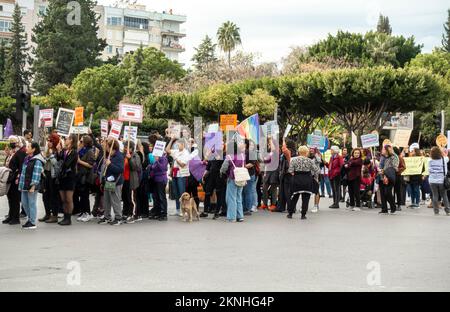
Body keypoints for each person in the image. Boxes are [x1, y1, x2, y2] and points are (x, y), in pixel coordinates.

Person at [287, 146, 320, 220]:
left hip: (296, 180)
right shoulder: (310, 161)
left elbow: (290, 170)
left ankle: (290, 213)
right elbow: (317, 170)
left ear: (299, 152)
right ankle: (303, 215)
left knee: (294, 197)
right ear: (306, 152)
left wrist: (294, 174)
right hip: (307, 180)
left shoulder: (294, 160)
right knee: (306, 199)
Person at [18, 142, 45, 229]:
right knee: (24, 203)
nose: (26, 148)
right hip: (24, 185)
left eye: (28, 146)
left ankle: (32, 222)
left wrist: (33, 186)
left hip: (31, 186)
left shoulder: (37, 160)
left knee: (31, 203)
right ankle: (30, 219)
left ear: (33, 149)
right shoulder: (27, 158)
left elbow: (36, 174)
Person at [99, 139, 124, 225]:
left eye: (107, 146)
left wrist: (110, 164)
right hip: (108, 181)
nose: (105, 148)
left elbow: (120, 170)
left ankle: (118, 218)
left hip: (115, 182)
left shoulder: (119, 156)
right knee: (107, 200)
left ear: (111, 147)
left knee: (115, 200)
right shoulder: (110, 155)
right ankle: (107, 216)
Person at [220, 140, 246, 222]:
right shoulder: (242, 155)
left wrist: (222, 173)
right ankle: (240, 216)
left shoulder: (229, 156)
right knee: (238, 197)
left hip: (232, 178)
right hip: (241, 178)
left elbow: (223, 168)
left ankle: (232, 217)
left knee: (231, 198)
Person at [3, 136, 27, 225]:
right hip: (10, 177)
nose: (11, 143)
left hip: (15, 178)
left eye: (13, 141)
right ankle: (11, 216)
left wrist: (18, 177)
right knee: (10, 198)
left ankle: (15, 218)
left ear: (17, 142)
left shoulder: (20, 152)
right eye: (10, 141)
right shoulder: (12, 152)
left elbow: (21, 166)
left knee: (15, 198)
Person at [166, 137, 191, 216]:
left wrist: (176, 158)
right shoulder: (176, 151)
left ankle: (184, 210)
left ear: (183, 144)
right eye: (177, 144)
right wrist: (171, 140)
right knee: (176, 192)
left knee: (181, 192)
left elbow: (182, 165)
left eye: (179, 144)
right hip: (175, 174)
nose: (177, 146)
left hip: (182, 174)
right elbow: (167, 150)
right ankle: (177, 209)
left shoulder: (186, 153)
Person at [56, 134, 78, 226]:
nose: (65, 140)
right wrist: (58, 151)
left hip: (70, 177)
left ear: (72, 140)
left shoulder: (74, 152)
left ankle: (68, 218)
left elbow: (67, 164)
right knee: (63, 199)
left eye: (68, 139)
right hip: (62, 177)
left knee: (69, 199)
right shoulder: (65, 151)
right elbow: (58, 159)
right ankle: (65, 217)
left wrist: (63, 153)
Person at [39, 133, 61, 223]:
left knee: (53, 196)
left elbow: (56, 165)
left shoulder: (58, 151)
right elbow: (44, 162)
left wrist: (51, 155)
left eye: (50, 141)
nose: (48, 142)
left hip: (53, 176)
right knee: (45, 195)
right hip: (46, 174)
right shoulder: (48, 150)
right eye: (48, 141)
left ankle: (54, 215)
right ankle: (47, 213)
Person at [74, 135, 96, 222]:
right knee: (82, 195)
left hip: (86, 176)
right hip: (80, 175)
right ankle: (83, 212)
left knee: (85, 195)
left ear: (86, 142)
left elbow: (91, 164)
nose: (80, 142)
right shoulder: (82, 150)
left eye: (81, 141)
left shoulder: (90, 151)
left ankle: (87, 213)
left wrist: (80, 161)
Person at [203, 146, 227, 219]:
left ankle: (216, 212)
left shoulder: (224, 156)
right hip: (211, 176)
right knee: (207, 193)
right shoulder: (212, 156)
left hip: (219, 176)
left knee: (218, 194)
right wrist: (204, 175)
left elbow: (224, 166)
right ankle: (205, 211)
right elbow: (208, 167)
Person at [122, 140, 143, 223]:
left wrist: (130, 158)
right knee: (125, 197)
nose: (124, 148)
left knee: (131, 199)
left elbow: (136, 167)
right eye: (124, 147)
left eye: (126, 147)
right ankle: (126, 212)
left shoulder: (135, 156)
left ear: (131, 148)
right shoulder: (123, 155)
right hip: (124, 179)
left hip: (131, 180)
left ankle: (133, 214)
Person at [428, 147, 450, 216]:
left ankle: (436, 211)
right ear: (439, 152)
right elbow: (446, 155)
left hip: (432, 180)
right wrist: (442, 151)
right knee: (444, 195)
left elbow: (429, 170)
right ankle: (447, 211)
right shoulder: (444, 159)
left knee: (435, 195)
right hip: (441, 180)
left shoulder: (429, 160)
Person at [276, 139, 297, 212]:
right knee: (284, 191)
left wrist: (283, 140)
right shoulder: (293, 152)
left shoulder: (289, 152)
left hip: (288, 174)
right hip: (286, 173)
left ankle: (290, 208)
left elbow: (284, 150)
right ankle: (282, 207)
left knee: (287, 192)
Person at [379, 145, 399, 214]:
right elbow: (380, 166)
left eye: (383, 149)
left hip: (390, 177)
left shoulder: (393, 156)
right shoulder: (382, 157)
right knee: (383, 193)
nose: (382, 151)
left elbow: (395, 167)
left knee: (387, 192)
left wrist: (385, 171)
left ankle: (393, 207)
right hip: (382, 176)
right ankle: (384, 209)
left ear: (387, 150)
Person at [260, 138, 279, 211]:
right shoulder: (268, 152)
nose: (269, 145)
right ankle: (265, 204)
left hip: (274, 171)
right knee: (264, 187)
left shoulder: (276, 151)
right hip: (268, 171)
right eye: (268, 144)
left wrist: (271, 140)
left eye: (270, 144)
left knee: (273, 189)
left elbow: (273, 150)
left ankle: (273, 204)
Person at [150, 151, 169, 221]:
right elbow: (153, 167)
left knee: (162, 197)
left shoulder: (164, 158)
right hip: (156, 180)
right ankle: (158, 212)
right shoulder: (156, 159)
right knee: (156, 197)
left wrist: (157, 161)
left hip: (161, 180)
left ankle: (164, 214)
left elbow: (163, 168)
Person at [242, 139, 258, 215]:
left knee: (248, 192)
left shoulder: (249, 152)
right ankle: (244, 208)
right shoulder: (241, 152)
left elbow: (252, 163)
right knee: (244, 192)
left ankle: (247, 209)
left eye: (241, 142)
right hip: (244, 174)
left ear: (245, 144)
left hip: (249, 175)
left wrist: (243, 166)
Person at [309, 148, 323, 213]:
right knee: (307, 190)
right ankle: (304, 205)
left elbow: (319, 160)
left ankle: (316, 205)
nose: (311, 150)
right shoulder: (307, 155)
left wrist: (316, 153)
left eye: (312, 149)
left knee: (316, 190)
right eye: (310, 149)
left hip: (316, 175)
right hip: (308, 175)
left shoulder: (317, 155)